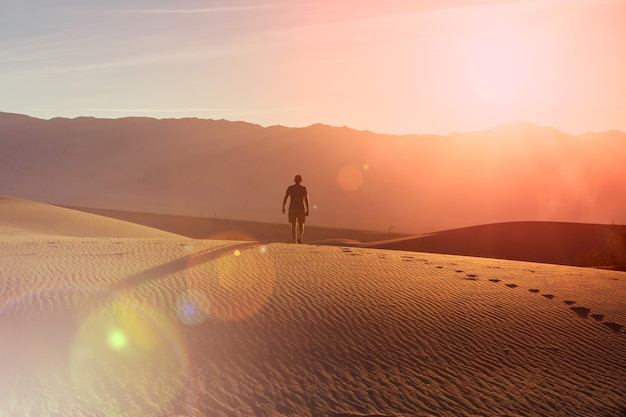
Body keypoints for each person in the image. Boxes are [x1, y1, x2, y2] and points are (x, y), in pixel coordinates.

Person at [282, 174, 310, 243]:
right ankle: (300, 238)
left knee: (293, 225)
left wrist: (283, 206)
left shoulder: (290, 188)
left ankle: (294, 240)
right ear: (300, 181)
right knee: (301, 224)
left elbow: (285, 197)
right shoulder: (303, 188)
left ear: (295, 181)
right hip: (300, 208)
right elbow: (306, 199)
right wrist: (308, 209)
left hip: (292, 208)